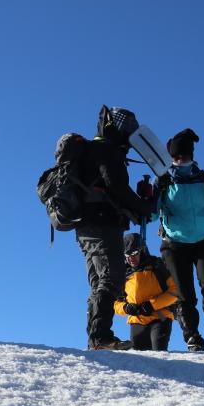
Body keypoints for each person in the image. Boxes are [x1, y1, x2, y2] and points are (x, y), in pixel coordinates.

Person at [73, 105, 151, 351]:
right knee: (112, 276)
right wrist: (141, 207)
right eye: (127, 128)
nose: (131, 134)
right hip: (101, 222)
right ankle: (100, 337)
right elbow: (114, 184)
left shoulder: (95, 149)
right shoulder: (106, 149)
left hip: (87, 224)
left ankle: (96, 338)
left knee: (99, 280)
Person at [149, 128, 204, 352]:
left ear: (192, 155)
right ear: (172, 157)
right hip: (174, 245)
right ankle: (192, 336)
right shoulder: (163, 181)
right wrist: (147, 197)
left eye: (185, 155)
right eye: (178, 156)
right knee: (185, 293)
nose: (182, 160)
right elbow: (151, 215)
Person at [114, 232, 178, 351]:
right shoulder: (123, 274)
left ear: (142, 251)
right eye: (127, 254)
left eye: (134, 253)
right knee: (141, 361)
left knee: (159, 354)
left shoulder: (157, 266)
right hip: (136, 321)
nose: (131, 258)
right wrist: (126, 308)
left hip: (160, 318)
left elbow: (175, 292)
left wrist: (151, 305)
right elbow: (115, 303)